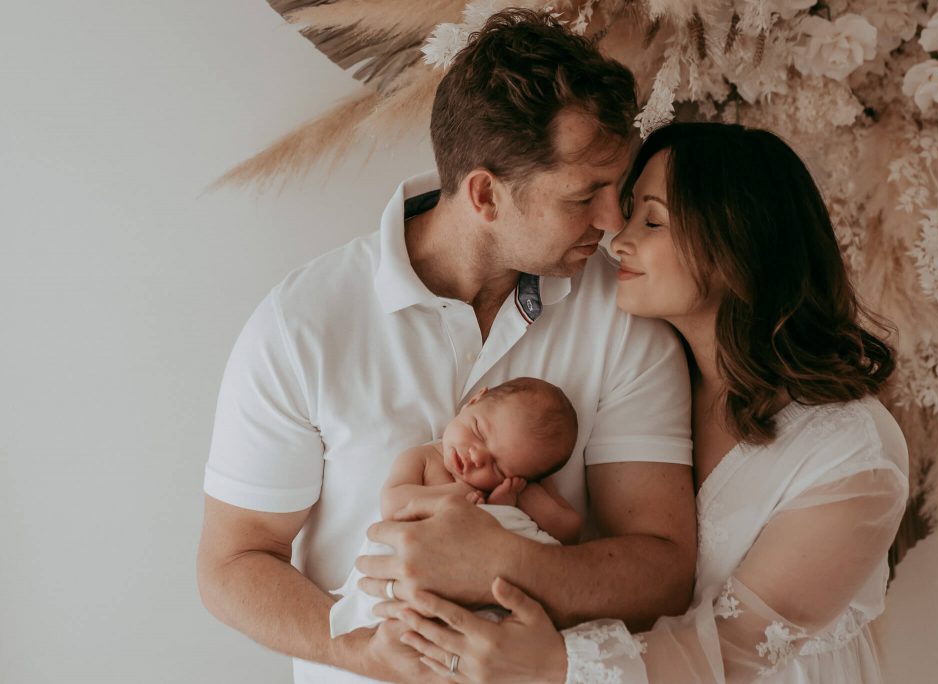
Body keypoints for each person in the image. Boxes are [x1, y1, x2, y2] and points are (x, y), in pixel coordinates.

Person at [196, 10, 697, 684]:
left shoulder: (625, 312)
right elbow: (231, 564)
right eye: (586, 195)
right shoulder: (303, 324)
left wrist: (511, 563)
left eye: (620, 188)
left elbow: (665, 568)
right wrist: (355, 652)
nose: (613, 223)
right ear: (486, 194)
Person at [387, 122, 910, 683]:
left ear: (738, 244)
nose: (618, 240)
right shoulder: (653, 387)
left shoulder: (853, 456)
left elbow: (735, 652)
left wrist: (554, 664)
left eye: (652, 220)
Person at [328, 377, 583, 645]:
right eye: (479, 433)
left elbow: (568, 530)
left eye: (497, 466)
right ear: (473, 401)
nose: (476, 455)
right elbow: (393, 503)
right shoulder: (424, 458)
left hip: (480, 598)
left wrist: (519, 495)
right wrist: (453, 494)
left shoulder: (512, 488)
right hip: (414, 577)